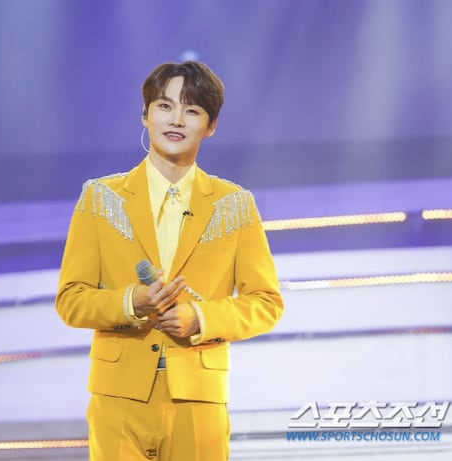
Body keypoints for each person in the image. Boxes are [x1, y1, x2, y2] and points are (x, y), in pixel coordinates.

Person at [55, 61, 284, 461]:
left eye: (192, 110)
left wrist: (201, 318)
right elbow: (71, 300)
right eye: (165, 106)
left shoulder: (234, 205)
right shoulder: (100, 199)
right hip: (118, 397)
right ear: (145, 115)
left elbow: (266, 303)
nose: (176, 120)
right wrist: (131, 302)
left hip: (197, 398)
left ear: (210, 126)